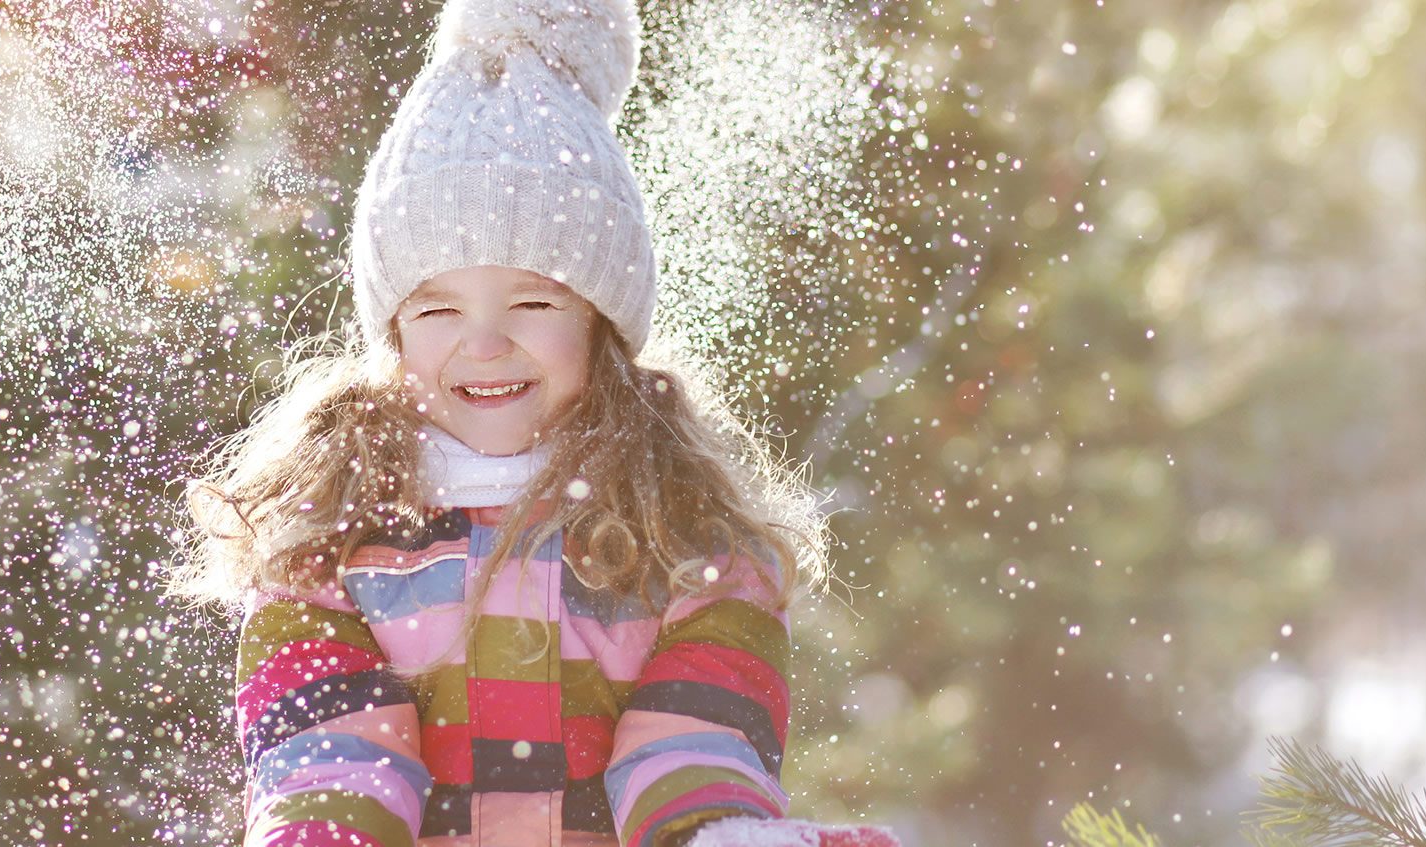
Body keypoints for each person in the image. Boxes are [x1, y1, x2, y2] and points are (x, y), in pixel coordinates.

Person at [170, 0, 900, 844]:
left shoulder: (685, 538)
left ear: (600, 323)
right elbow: (331, 757)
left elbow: (700, 735)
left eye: (531, 300)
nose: (484, 343)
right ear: (393, 333)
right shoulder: (325, 546)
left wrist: (716, 832)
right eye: (437, 310)